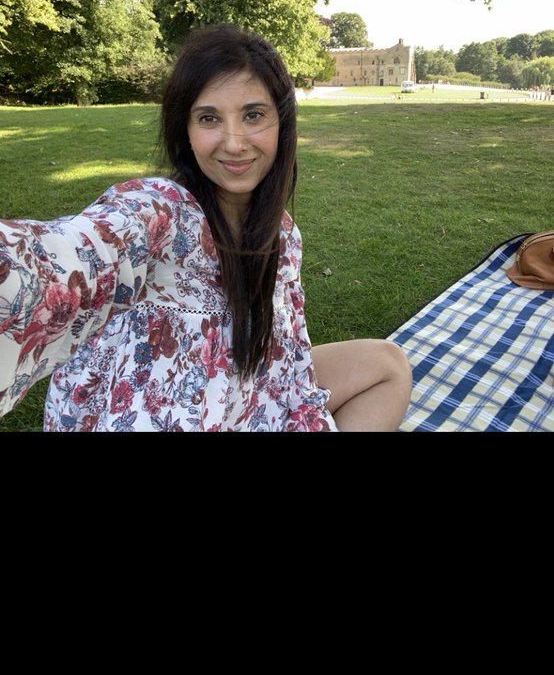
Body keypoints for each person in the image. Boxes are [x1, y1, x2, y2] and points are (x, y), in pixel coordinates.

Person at [0, 24, 411, 432]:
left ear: (282, 121)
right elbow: (66, 257)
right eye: (209, 118)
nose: (233, 142)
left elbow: (289, 348)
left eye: (253, 115)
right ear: (186, 129)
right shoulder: (160, 213)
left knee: (388, 364)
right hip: (162, 411)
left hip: (251, 391)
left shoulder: (283, 236)